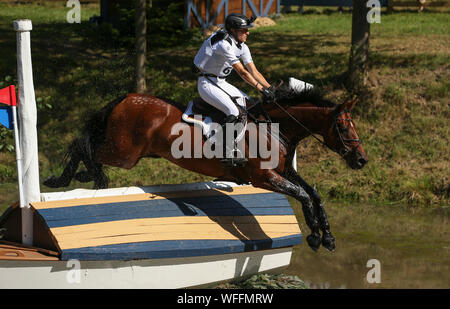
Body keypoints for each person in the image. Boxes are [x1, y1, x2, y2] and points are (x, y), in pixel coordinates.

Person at [193, 13, 274, 167]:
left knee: (248, 103)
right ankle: (224, 150)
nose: (248, 32)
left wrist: (270, 88)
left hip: (221, 82)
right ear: (233, 31)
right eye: (244, 30)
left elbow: (254, 72)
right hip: (207, 83)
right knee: (234, 111)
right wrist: (260, 89)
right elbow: (242, 72)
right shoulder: (224, 45)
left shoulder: (243, 47)